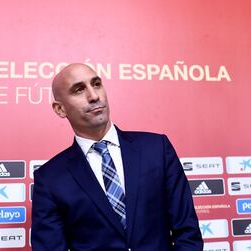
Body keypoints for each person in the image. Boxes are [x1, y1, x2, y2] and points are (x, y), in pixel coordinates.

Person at [31, 63, 203, 251]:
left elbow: (187, 232)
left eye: (96, 84)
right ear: (60, 109)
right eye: (79, 90)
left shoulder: (157, 149)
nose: (94, 96)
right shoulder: (49, 179)